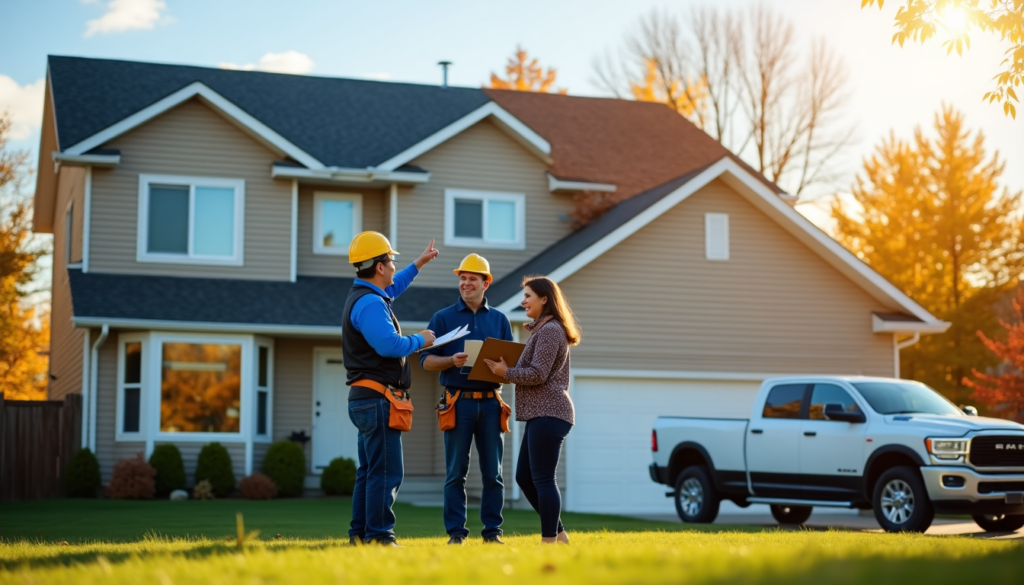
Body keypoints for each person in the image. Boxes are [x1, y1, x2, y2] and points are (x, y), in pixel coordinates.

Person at [343, 231, 438, 546]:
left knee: (370, 472)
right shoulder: (371, 304)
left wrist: (418, 264)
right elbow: (388, 345)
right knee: (385, 472)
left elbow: (394, 287)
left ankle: (359, 536)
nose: (395, 266)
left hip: (367, 399)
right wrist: (421, 340)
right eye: (392, 260)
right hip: (377, 400)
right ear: (380, 266)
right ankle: (381, 537)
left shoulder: (369, 295)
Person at [421, 254, 513, 545]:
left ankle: (493, 534)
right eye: (462, 278)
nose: (465, 283)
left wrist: (502, 370)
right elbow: (425, 361)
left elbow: (511, 369)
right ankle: (456, 535)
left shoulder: (500, 320)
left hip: (490, 402)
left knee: (493, 474)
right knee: (455, 473)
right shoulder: (443, 318)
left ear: (486, 282)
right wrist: (450, 360)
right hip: (457, 402)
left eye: (472, 278)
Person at [484, 276, 581, 545]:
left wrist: (507, 372)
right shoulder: (543, 330)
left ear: (544, 298)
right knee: (524, 477)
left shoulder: (550, 331)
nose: (523, 301)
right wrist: (507, 370)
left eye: (528, 296)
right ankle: (559, 535)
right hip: (542, 414)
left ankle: (548, 541)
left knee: (543, 479)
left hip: (551, 412)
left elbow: (538, 374)